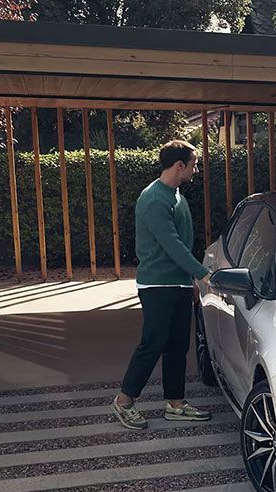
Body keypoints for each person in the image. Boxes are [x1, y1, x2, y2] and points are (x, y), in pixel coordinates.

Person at [112, 140, 213, 430]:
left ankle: (176, 403)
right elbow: (172, 245)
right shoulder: (154, 199)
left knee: (178, 345)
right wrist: (203, 273)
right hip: (157, 286)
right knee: (153, 343)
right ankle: (124, 401)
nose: (195, 169)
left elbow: (181, 242)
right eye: (193, 164)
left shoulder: (176, 195)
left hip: (178, 285)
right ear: (179, 165)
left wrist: (189, 282)